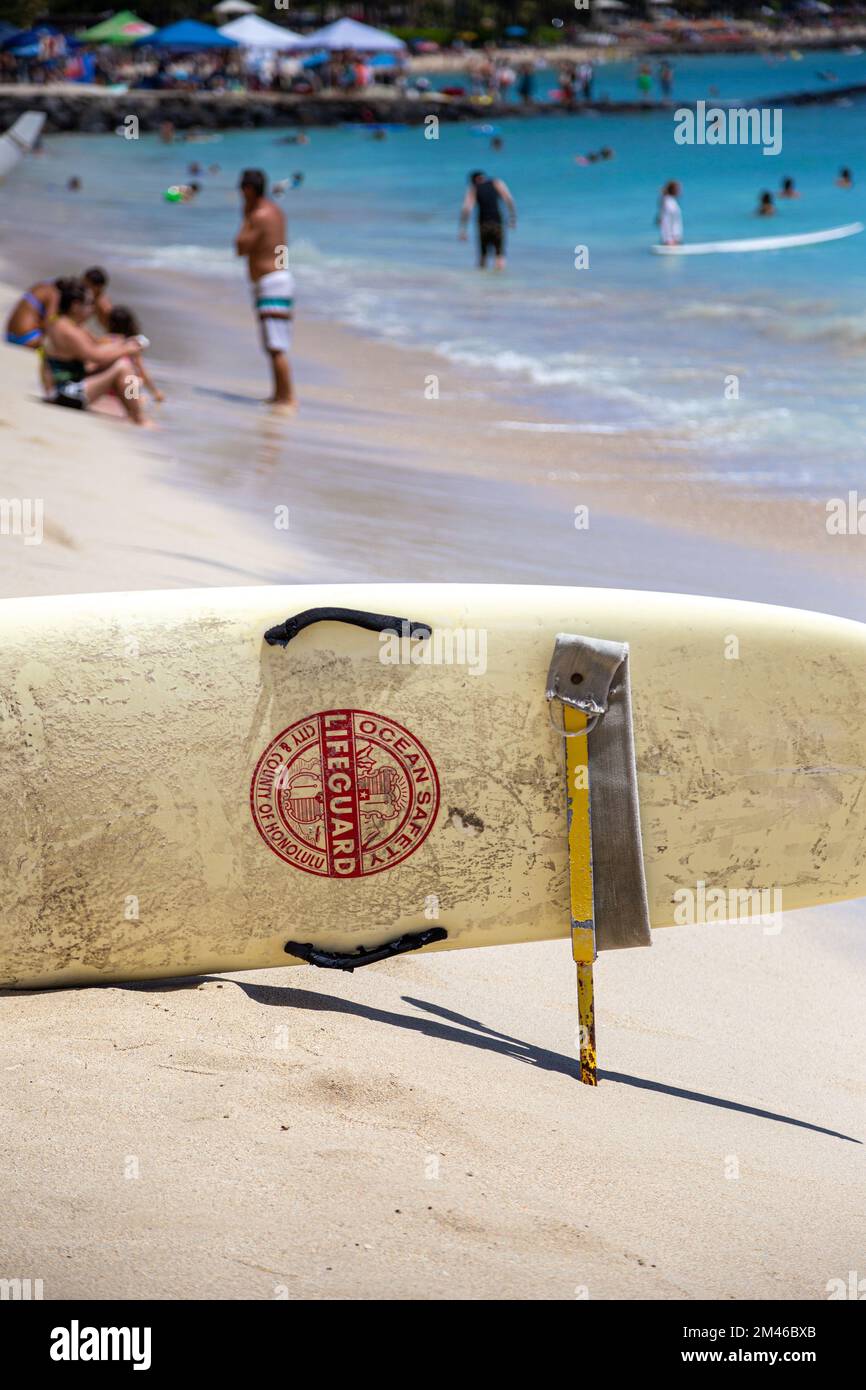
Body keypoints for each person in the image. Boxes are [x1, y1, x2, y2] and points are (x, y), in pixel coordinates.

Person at [41, 278, 145, 423]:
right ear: (76, 306)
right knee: (124, 367)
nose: (92, 309)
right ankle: (139, 417)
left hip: (61, 389)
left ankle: (133, 411)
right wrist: (127, 349)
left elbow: (95, 348)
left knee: (120, 366)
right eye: (89, 304)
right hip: (64, 393)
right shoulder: (68, 330)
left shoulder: (63, 324)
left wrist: (123, 345)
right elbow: (95, 356)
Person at [235, 168, 294, 408]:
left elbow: (240, 247)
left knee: (275, 346)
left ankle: (287, 398)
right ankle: (279, 395)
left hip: (272, 284)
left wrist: (246, 217)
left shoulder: (258, 215)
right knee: (274, 345)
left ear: (248, 190)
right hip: (278, 280)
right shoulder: (275, 210)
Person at [5, 265, 110, 348]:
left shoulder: (52, 285)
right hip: (28, 338)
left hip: (12, 335)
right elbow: (50, 323)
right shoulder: (55, 292)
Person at [98, 306, 164, 404]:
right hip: (123, 389)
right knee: (137, 379)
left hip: (104, 387)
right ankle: (134, 400)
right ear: (130, 325)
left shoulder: (103, 340)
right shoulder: (131, 345)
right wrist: (155, 392)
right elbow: (142, 372)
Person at [459, 170, 517, 271]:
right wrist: (513, 219)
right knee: (500, 253)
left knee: (483, 255)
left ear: (474, 180)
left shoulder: (473, 188)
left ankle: (481, 283)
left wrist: (463, 230)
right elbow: (509, 199)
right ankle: (500, 283)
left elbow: (466, 208)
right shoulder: (497, 183)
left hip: (483, 224)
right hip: (497, 222)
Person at [658, 180, 683, 245]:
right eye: (678, 189)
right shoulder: (669, 203)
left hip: (674, 239)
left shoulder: (670, 201)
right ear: (674, 190)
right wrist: (669, 239)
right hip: (671, 241)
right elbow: (666, 221)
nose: (680, 191)